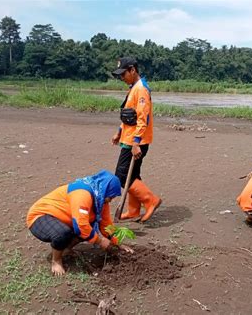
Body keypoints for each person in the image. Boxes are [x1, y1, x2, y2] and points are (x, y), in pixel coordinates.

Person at [26, 170, 133, 276]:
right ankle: (56, 261)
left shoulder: (100, 200)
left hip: (63, 219)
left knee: (89, 226)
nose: (110, 200)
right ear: (105, 189)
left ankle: (66, 249)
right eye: (111, 196)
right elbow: (80, 226)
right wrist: (100, 241)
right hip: (39, 217)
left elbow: (106, 224)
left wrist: (118, 243)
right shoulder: (82, 194)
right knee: (63, 233)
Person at [111, 57, 162, 222]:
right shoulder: (133, 88)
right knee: (133, 174)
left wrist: (136, 142)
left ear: (132, 70)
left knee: (121, 175)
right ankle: (133, 210)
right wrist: (119, 131)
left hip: (136, 142)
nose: (121, 78)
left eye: (123, 74)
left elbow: (143, 118)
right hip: (129, 138)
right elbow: (128, 114)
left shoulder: (141, 89)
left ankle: (150, 200)